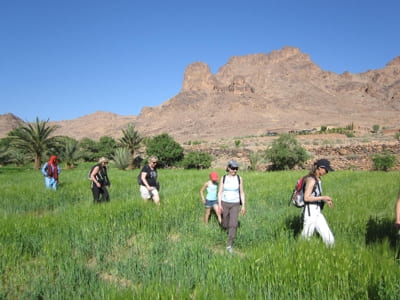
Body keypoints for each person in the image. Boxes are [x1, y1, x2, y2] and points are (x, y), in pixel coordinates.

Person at [301, 158, 335, 247]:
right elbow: (306, 198)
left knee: (329, 238)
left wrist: (324, 200)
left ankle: (332, 252)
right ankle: (298, 254)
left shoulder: (318, 179)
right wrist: (323, 197)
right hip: (310, 212)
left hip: (317, 210)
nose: (327, 172)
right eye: (326, 170)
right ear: (320, 168)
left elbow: (315, 195)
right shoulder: (311, 180)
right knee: (305, 238)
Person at [218, 160, 246, 254]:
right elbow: (220, 192)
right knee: (225, 223)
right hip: (224, 203)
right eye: (233, 168)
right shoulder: (223, 178)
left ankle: (229, 245)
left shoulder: (239, 178)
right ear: (228, 168)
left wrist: (243, 206)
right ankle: (225, 227)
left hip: (235, 203)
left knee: (233, 224)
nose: (235, 170)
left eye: (236, 168)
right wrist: (219, 204)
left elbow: (242, 192)